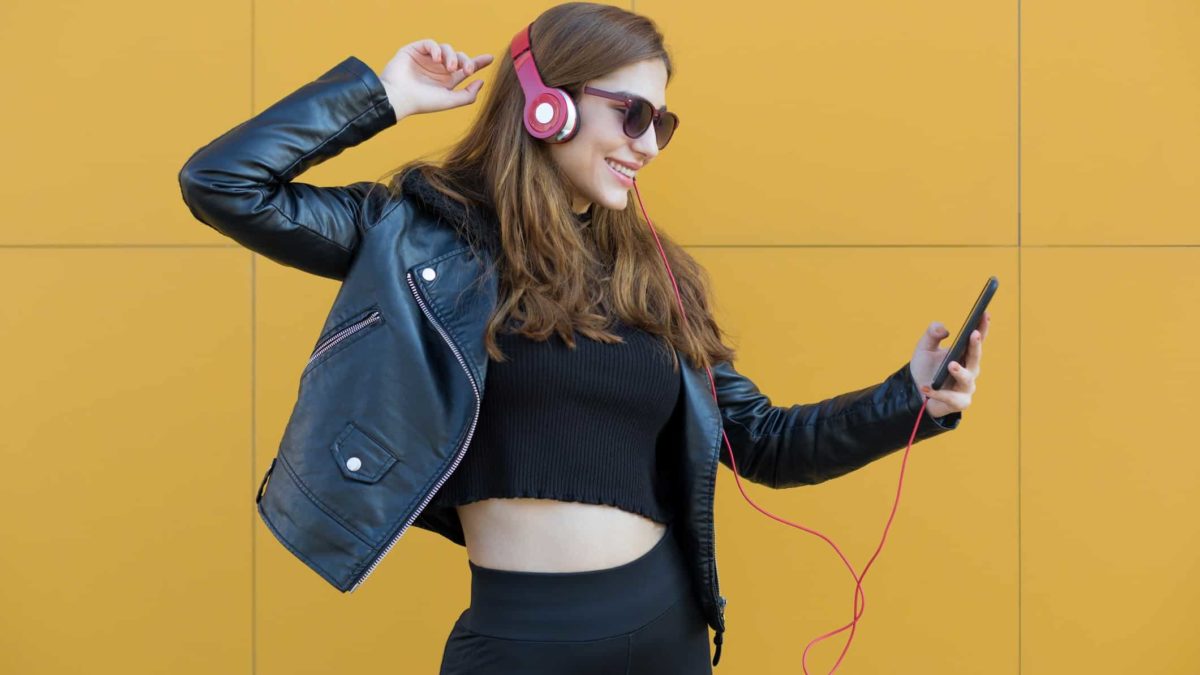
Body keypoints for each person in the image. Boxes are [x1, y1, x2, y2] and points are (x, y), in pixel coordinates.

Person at [178, 3, 987, 673]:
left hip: (663, 628)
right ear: (546, 104)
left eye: (662, 122)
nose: (648, 143)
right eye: (631, 113)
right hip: (518, 640)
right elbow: (223, 182)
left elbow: (763, 441)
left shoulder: (656, 275)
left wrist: (908, 399)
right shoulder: (412, 234)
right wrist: (387, 95)